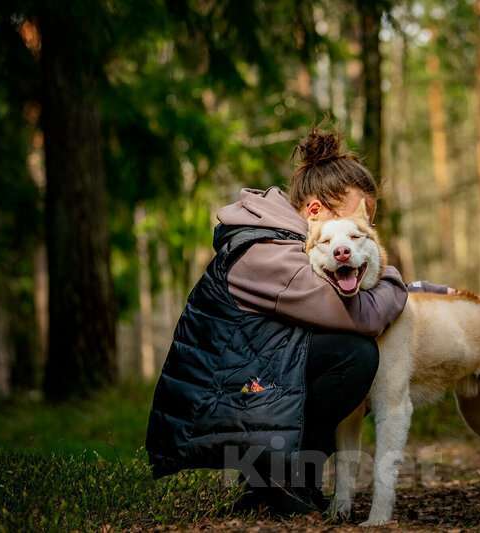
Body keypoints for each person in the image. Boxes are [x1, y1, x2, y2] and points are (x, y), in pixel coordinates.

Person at [145, 127, 409, 515]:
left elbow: (351, 290)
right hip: (221, 401)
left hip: (251, 387)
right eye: (353, 227)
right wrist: (395, 279)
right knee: (353, 354)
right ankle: (278, 478)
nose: (356, 243)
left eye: (362, 234)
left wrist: (435, 289)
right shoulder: (266, 254)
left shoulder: (285, 239)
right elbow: (362, 314)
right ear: (316, 212)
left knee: (342, 350)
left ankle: (286, 477)